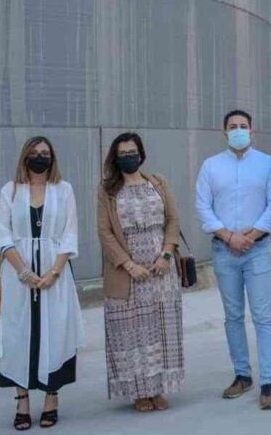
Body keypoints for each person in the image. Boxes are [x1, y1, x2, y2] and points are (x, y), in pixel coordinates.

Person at [0, 136, 85, 430]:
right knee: (18, 334)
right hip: (18, 276)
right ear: (24, 157)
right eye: (34, 153)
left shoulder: (64, 190)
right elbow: (3, 236)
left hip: (55, 274)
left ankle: (51, 398)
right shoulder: (10, 190)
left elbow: (70, 234)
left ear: (52, 158)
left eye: (45, 153)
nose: (40, 158)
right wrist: (24, 273)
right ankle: (22, 400)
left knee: (55, 332)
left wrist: (53, 273)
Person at [195, 110, 271, 409]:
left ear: (252, 130)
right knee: (233, 317)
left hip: (257, 250)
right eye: (232, 127)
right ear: (224, 133)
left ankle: (268, 382)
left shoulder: (267, 164)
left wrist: (252, 234)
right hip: (224, 251)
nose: (238, 131)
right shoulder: (211, 167)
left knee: (263, 317)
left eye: (243, 126)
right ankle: (242, 375)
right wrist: (228, 236)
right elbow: (203, 207)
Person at [97, 132, 184, 412]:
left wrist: (166, 255)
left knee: (161, 330)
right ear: (115, 157)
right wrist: (129, 264)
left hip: (161, 272)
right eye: (122, 154)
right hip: (128, 274)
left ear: (141, 153)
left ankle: (158, 389)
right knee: (132, 332)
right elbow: (105, 232)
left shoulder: (157, 182)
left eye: (132, 152)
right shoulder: (107, 190)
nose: (128, 157)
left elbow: (173, 219)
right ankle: (139, 392)